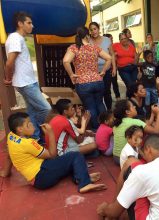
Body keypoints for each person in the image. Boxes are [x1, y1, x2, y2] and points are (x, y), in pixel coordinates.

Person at [7, 112, 107, 193]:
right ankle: (84, 184)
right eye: (29, 124)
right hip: (41, 176)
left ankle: (81, 177)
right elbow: (52, 155)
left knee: (66, 160)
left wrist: (6, 172)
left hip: (37, 177)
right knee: (75, 155)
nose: (33, 125)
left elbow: (9, 155)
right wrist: (50, 133)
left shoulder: (11, 136)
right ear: (20, 129)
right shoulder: (28, 143)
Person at [4, 11, 51, 141]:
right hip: (25, 83)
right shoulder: (15, 38)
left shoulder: (18, 38)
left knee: (32, 111)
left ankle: (34, 138)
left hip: (28, 82)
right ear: (20, 23)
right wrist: (8, 78)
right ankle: (34, 132)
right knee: (46, 108)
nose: (32, 26)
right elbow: (9, 63)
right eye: (29, 23)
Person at [63, 26, 112, 130]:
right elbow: (109, 58)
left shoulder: (74, 48)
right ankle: (106, 126)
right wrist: (103, 71)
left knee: (90, 107)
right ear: (87, 35)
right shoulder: (94, 47)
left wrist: (71, 74)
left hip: (83, 83)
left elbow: (65, 61)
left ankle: (96, 130)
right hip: (98, 81)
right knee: (100, 104)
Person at [112, 100, 159, 165]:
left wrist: (152, 113)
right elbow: (156, 131)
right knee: (149, 142)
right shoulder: (134, 121)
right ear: (127, 112)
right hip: (128, 158)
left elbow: (147, 125)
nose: (135, 107)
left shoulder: (116, 124)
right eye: (132, 106)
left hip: (116, 157)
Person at [89, 22, 117, 110]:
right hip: (94, 72)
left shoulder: (107, 40)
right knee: (97, 92)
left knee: (107, 92)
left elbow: (112, 54)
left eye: (95, 29)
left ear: (98, 29)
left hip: (106, 70)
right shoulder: (88, 41)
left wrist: (114, 68)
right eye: (91, 30)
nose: (93, 31)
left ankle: (109, 111)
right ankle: (100, 112)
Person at [103, 33, 121, 100]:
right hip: (106, 68)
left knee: (114, 82)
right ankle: (108, 98)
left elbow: (117, 54)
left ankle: (117, 96)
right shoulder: (104, 47)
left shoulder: (114, 46)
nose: (112, 40)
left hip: (113, 67)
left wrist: (114, 67)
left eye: (112, 38)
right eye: (111, 39)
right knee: (107, 86)